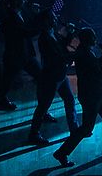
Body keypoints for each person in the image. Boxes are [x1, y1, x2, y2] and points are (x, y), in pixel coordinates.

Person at [53, 28, 102, 166]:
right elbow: (97, 73)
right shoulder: (85, 54)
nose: (95, 39)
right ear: (88, 39)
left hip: (96, 93)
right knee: (87, 128)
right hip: (92, 95)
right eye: (93, 37)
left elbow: (93, 68)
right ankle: (62, 153)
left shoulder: (85, 52)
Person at [23, 9, 79, 143]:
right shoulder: (45, 38)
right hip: (51, 77)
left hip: (59, 74)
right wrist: (75, 56)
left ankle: (75, 128)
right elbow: (58, 57)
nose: (55, 19)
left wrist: (68, 35)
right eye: (53, 18)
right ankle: (33, 134)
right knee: (43, 106)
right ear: (46, 21)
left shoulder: (51, 33)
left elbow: (61, 47)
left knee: (69, 100)